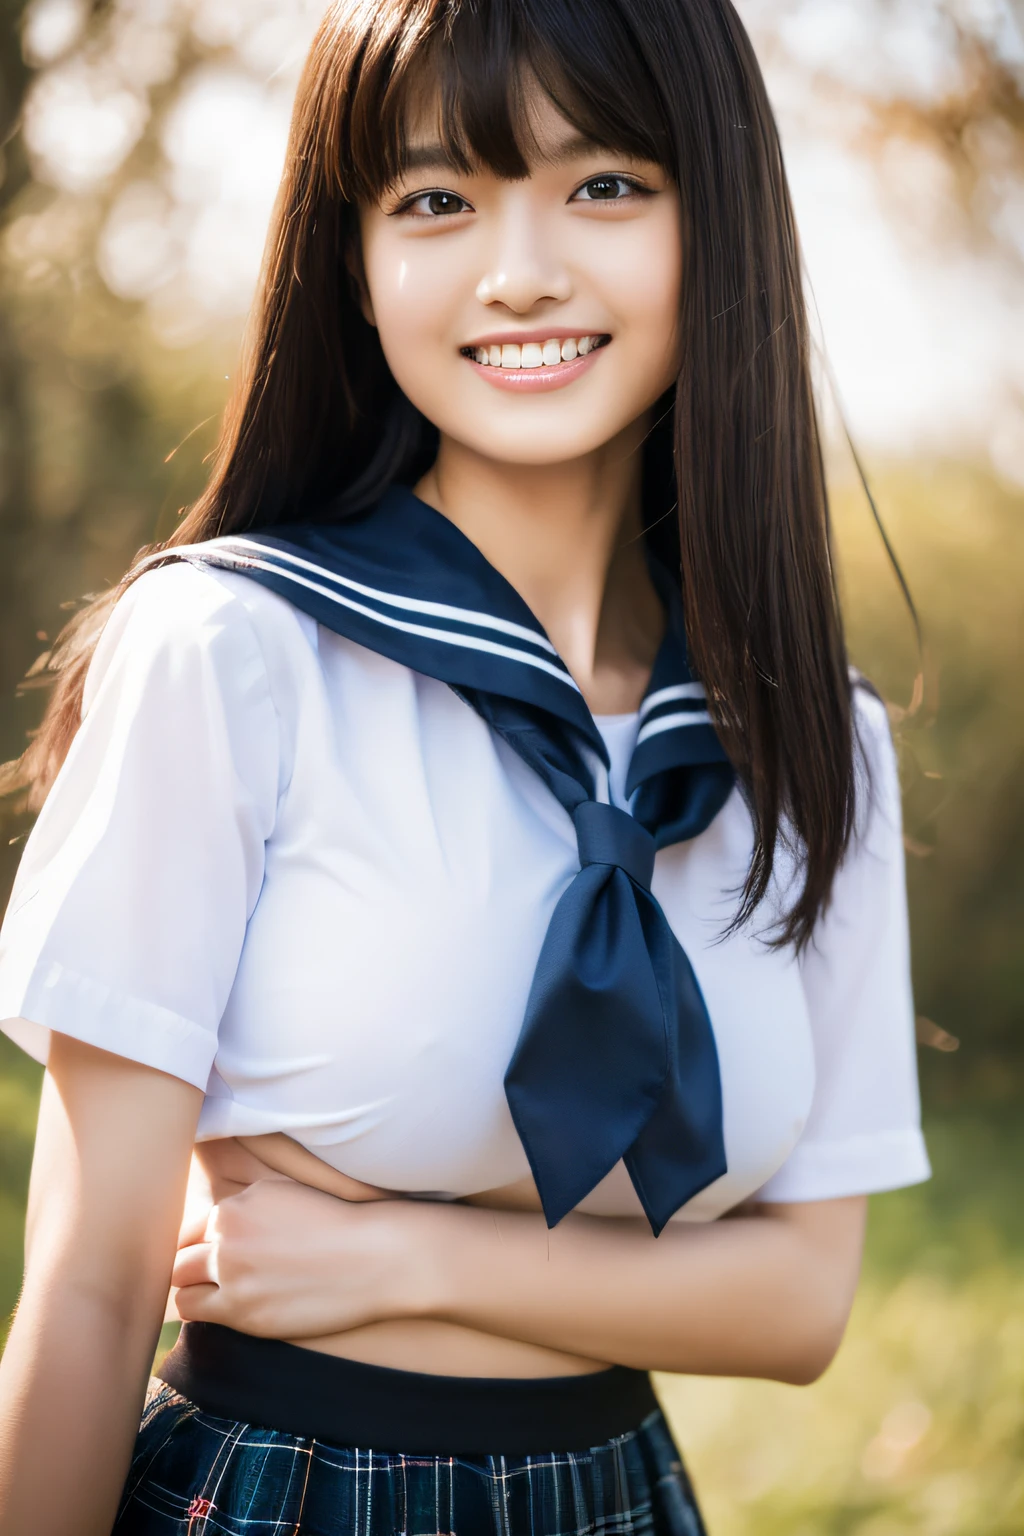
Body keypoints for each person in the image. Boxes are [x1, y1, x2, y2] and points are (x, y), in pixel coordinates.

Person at [0, 0, 931, 1531]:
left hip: (626, 1495)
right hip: (277, 1487)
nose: (519, 272)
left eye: (606, 185)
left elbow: (802, 1301)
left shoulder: (820, 748)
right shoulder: (231, 655)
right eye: (435, 200)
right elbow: (91, 1294)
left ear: (723, 225)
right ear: (351, 263)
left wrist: (398, 1258)